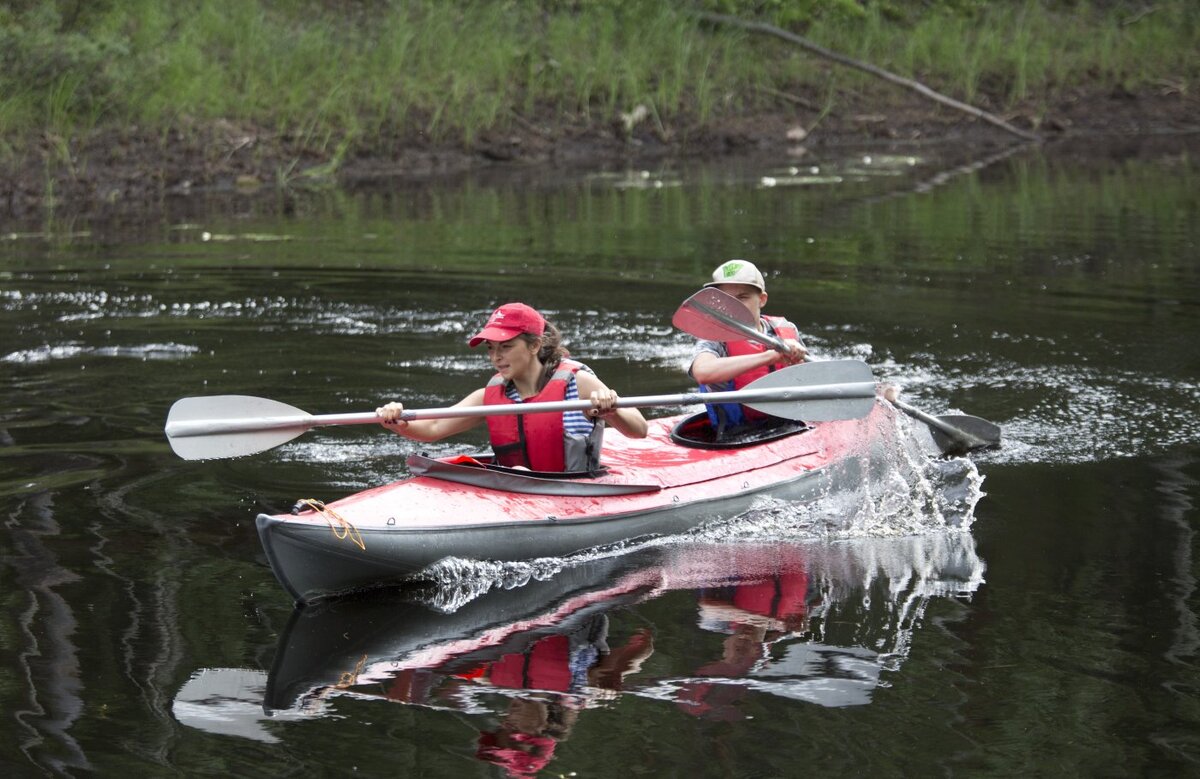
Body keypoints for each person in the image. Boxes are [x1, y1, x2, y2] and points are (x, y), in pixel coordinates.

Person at [377, 302, 647, 472]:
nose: (496, 357)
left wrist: (612, 410)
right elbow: (433, 428)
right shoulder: (489, 396)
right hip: (517, 489)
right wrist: (399, 422)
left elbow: (639, 429)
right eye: (491, 348)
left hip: (573, 491)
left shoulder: (577, 384)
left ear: (534, 345)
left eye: (506, 347)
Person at [687, 259, 808, 436]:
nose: (733, 306)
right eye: (726, 299)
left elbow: (808, 380)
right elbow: (702, 372)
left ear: (762, 299)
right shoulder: (714, 338)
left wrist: (797, 359)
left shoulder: (786, 330)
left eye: (742, 297)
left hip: (790, 427)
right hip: (736, 436)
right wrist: (771, 356)